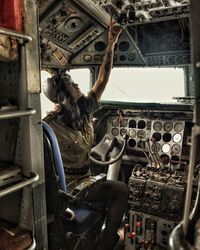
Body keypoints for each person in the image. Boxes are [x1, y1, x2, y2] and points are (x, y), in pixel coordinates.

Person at [43, 17, 129, 250]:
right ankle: (106, 242)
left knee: (112, 188)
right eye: (72, 85)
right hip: (70, 189)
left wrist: (110, 44)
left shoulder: (84, 108)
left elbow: (103, 78)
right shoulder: (48, 126)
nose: (78, 86)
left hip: (86, 179)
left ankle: (103, 236)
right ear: (62, 96)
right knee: (121, 191)